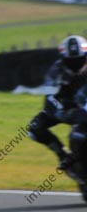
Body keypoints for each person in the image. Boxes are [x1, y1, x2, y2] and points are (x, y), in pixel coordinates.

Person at [28, 35, 87, 174]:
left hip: (84, 107)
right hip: (64, 106)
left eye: (79, 60)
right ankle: (62, 154)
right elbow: (49, 98)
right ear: (63, 59)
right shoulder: (56, 69)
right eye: (70, 61)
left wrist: (82, 112)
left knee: (78, 136)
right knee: (34, 128)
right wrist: (62, 112)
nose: (75, 65)